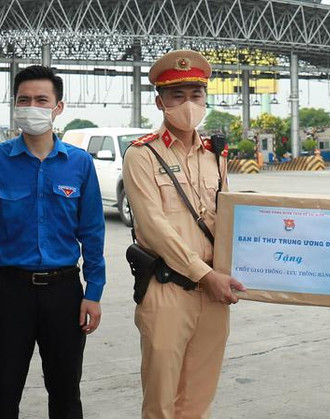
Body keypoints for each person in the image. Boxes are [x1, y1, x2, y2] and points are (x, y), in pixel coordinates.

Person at [0, 65, 105, 418]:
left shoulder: (79, 164)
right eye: (24, 99)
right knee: (2, 393)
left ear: (58, 107)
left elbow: (92, 233)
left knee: (65, 394)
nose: (32, 106)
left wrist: (93, 292)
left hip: (65, 292)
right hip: (9, 293)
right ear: (14, 105)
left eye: (41, 99)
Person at [122, 49, 247, 419]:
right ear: (160, 102)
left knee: (198, 398)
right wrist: (205, 275)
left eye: (196, 94)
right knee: (162, 401)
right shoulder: (142, 155)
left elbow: (227, 217)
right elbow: (153, 227)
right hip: (168, 289)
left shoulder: (216, 154)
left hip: (214, 293)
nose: (188, 103)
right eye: (177, 96)